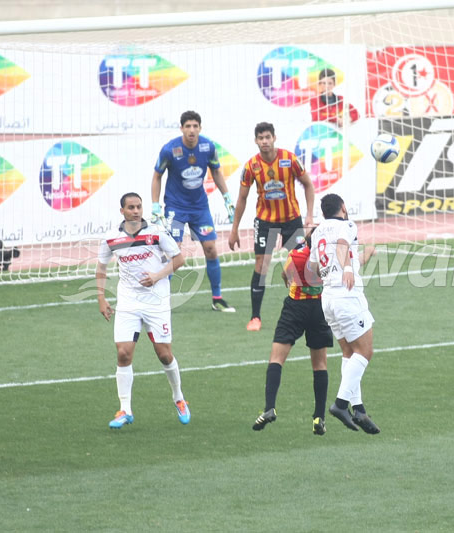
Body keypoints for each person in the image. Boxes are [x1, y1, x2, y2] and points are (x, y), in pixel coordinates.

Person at [96, 192, 191, 429]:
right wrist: (101, 298)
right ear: (122, 211)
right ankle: (125, 409)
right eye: (131, 207)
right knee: (123, 354)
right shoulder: (111, 238)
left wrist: (157, 276)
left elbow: (179, 260)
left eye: (139, 206)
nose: (136, 211)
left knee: (164, 355)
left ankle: (179, 398)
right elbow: (101, 268)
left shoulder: (157, 232)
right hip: (128, 301)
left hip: (156, 301)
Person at [229, 122, 316, 332]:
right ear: (256, 141)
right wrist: (234, 229)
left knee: (301, 262)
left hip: (291, 220)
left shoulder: (289, 159)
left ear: (274, 138)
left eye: (268, 137)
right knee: (261, 265)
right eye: (261, 138)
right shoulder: (251, 166)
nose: (265, 141)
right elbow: (242, 198)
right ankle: (255, 317)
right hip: (265, 222)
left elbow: (308, 184)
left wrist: (309, 215)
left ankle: (309, 308)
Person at [308, 193, 380, 434]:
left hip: (328, 298)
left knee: (349, 352)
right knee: (365, 351)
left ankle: (358, 409)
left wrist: (360, 258)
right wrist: (347, 268)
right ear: (343, 207)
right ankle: (340, 404)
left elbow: (314, 268)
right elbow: (341, 246)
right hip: (347, 296)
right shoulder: (346, 225)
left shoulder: (317, 233)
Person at [151, 110, 236, 313]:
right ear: (181, 128)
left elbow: (216, 172)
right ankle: (160, 301)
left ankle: (217, 299)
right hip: (176, 207)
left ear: (200, 128)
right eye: (188, 126)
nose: (191, 130)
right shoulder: (170, 150)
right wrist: (155, 205)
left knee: (211, 248)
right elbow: (157, 176)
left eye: (195, 126)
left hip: (199, 207)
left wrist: (227, 198)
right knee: (174, 252)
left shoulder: (208, 147)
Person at [252, 228, 333, 435]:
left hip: (295, 307)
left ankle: (270, 407)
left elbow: (284, 274)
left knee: (276, 359)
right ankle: (319, 417)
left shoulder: (296, 255)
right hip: (319, 309)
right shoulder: (328, 259)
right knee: (320, 364)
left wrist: (288, 280)